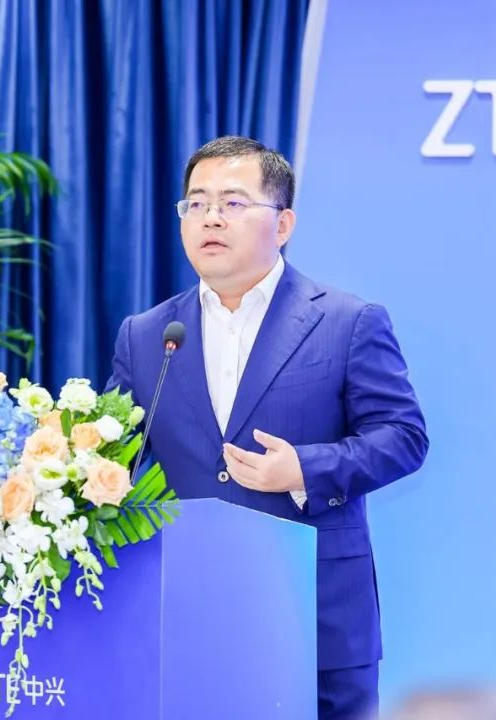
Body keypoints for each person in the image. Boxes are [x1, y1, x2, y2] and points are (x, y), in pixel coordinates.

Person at [106, 135, 428, 720]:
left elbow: (403, 436)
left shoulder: (346, 321)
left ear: (283, 224)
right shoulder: (148, 335)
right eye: (196, 203)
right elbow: (110, 457)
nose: (210, 218)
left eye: (233, 202)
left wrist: (305, 469)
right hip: (188, 619)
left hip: (315, 616)